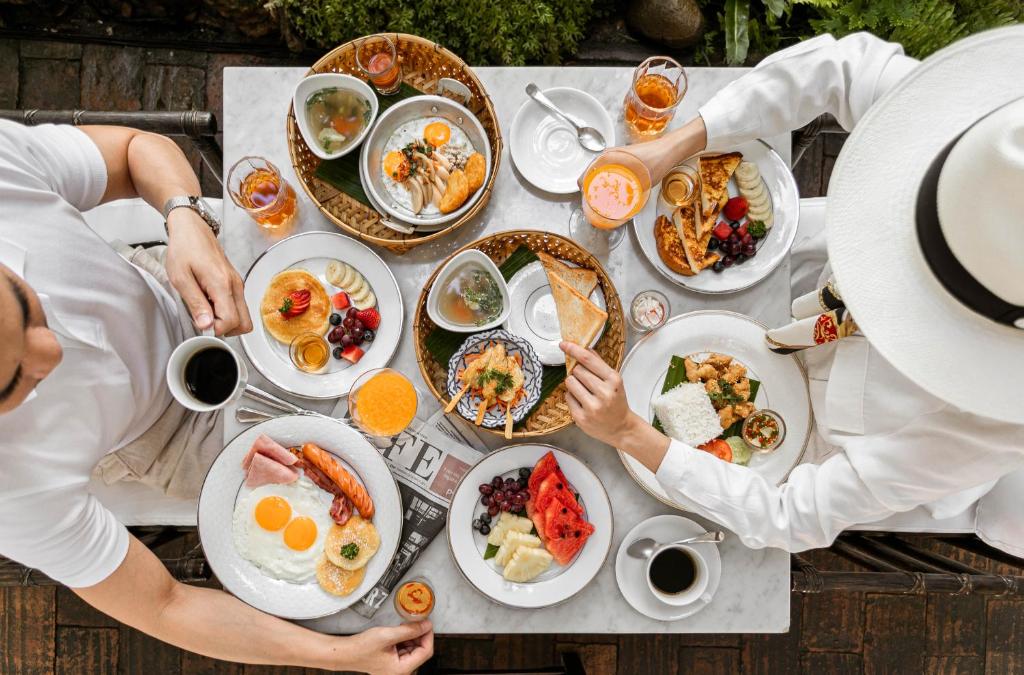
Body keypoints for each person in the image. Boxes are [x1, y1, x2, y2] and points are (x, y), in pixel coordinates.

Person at [561, 27, 1024, 554]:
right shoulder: (991, 145)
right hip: (805, 276)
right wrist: (671, 148)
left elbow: (791, 519)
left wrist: (627, 432)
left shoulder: (996, 421)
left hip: (818, 448)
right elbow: (836, 68)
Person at [0, 121, 433, 673]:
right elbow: (163, 604)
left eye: (25, 308)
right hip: (163, 438)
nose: (52, 356)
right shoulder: (9, 496)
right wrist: (341, 655)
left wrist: (185, 219)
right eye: (14, 383)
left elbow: (137, 150)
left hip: (177, 284)